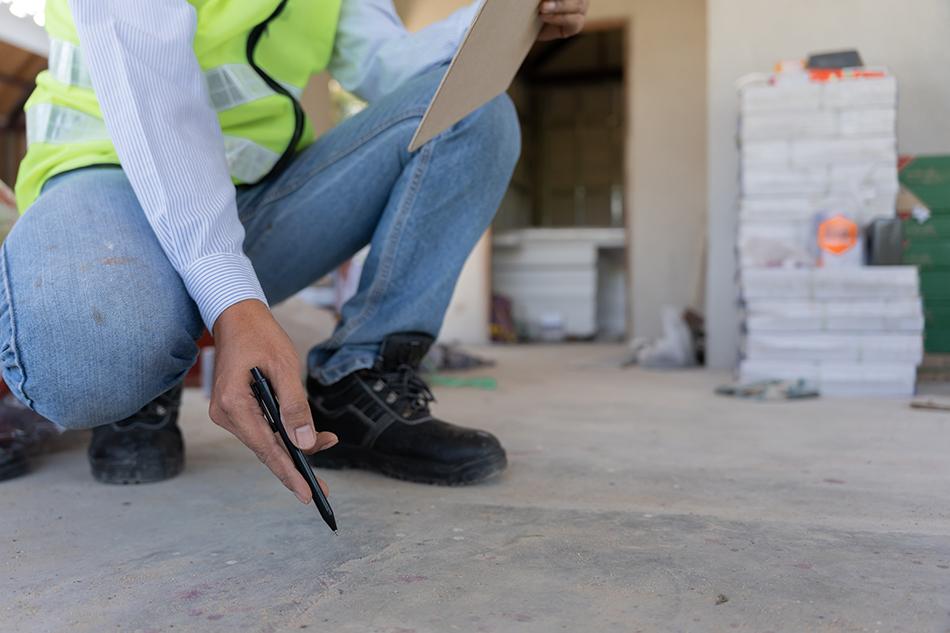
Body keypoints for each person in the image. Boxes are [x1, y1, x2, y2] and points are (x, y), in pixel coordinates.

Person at [0, 0, 588, 501]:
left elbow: (385, 62)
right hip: (105, 177)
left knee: (471, 111)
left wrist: (507, 18)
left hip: (256, 195)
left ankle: (361, 378)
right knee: (80, 364)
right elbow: (151, 92)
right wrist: (230, 297)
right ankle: (142, 378)